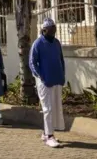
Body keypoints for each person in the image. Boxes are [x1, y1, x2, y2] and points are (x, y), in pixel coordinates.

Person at [29, 18, 65, 148]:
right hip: (45, 82)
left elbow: (61, 59)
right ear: (44, 30)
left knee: (55, 108)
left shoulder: (56, 43)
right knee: (47, 109)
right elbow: (32, 62)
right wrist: (41, 76)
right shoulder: (38, 44)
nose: (53, 31)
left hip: (56, 80)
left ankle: (46, 133)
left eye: (54, 28)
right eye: (50, 29)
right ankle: (50, 136)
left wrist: (62, 75)